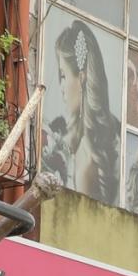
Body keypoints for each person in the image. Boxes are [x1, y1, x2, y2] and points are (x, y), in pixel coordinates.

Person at [43, 20, 120, 205]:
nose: (61, 87)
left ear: (82, 77)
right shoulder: (71, 139)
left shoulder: (86, 161)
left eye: (63, 76)